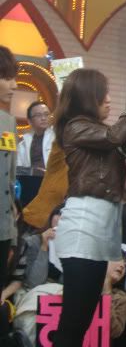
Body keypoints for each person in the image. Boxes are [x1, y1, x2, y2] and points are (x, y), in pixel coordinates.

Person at [51, 68, 126, 347]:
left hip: (97, 231)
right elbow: (113, 137)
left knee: (80, 319)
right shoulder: (76, 126)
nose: (108, 99)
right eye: (102, 94)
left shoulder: (94, 130)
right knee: (73, 322)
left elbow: (113, 140)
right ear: (86, 97)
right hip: (83, 231)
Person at [0, 46, 18, 310]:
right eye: (6, 78)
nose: (14, 85)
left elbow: (10, 178)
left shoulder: (8, 123)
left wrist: (12, 234)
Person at [16, 101, 54, 175]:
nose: (43, 118)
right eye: (38, 115)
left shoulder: (58, 137)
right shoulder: (23, 144)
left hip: (52, 179)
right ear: (30, 121)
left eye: (46, 114)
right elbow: (18, 168)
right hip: (30, 180)